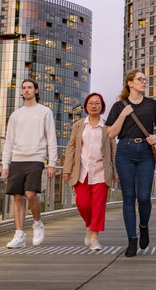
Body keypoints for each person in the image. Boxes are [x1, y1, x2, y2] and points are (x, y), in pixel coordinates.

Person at [106, 69, 156, 257]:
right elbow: (110, 133)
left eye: (145, 79)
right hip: (125, 152)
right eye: (140, 79)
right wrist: (123, 115)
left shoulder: (151, 104)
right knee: (129, 197)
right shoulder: (118, 106)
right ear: (130, 83)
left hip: (146, 153)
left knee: (144, 197)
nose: (144, 82)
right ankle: (132, 240)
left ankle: (144, 226)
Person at [2, 78, 57, 248]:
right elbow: (9, 141)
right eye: (24, 88)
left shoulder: (45, 112)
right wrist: (5, 165)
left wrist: (52, 163)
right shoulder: (15, 115)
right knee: (17, 197)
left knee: (31, 194)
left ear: (36, 91)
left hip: (36, 158)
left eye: (29, 88)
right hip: (17, 159)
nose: (26, 90)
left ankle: (37, 223)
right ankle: (19, 235)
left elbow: (51, 139)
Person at [63, 92, 117, 251]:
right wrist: (67, 170)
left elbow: (114, 149)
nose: (94, 106)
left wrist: (115, 171)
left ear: (102, 107)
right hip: (82, 170)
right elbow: (71, 148)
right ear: (86, 106)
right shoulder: (78, 125)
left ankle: (94, 237)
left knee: (99, 205)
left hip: (101, 170)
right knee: (83, 204)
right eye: (91, 103)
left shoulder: (107, 126)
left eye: (97, 103)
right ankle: (89, 225)